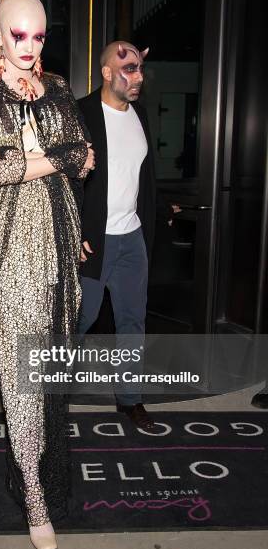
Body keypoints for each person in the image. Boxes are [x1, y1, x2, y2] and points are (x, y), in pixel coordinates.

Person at [0, 0, 95, 549]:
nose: (30, 44)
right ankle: (35, 496)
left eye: (40, 35)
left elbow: (84, 160)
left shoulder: (59, 87)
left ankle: (40, 469)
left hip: (62, 238)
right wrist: (59, 156)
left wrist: (51, 162)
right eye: (19, 33)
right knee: (20, 373)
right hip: (12, 240)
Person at [77, 41, 179, 430]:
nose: (139, 77)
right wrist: (77, 232)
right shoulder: (82, 112)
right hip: (94, 241)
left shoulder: (139, 114)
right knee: (79, 321)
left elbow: (144, 174)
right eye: (129, 69)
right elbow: (63, 180)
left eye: (140, 69)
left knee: (132, 322)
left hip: (132, 238)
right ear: (106, 72)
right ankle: (46, 399)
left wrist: (160, 208)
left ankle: (130, 399)